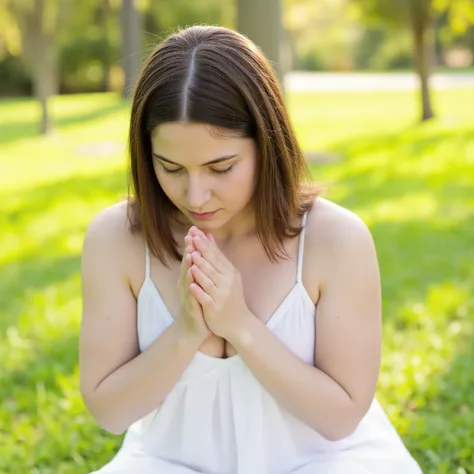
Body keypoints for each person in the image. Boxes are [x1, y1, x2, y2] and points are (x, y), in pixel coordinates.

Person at [79, 25, 423, 474]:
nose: (196, 195)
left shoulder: (336, 239)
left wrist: (239, 324)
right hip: (170, 464)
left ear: (268, 143)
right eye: (171, 167)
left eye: (220, 167)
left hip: (325, 463)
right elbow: (110, 412)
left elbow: (340, 418)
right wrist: (187, 331)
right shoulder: (116, 238)